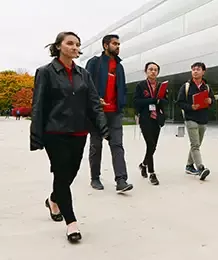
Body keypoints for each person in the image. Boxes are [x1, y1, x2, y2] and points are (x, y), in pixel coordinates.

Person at [30, 31, 109, 243]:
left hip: (79, 131)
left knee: (69, 174)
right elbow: (38, 105)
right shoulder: (45, 72)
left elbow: (93, 103)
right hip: (54, 132)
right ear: (58, 46)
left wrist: (103, 127)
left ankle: (53, 200)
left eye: (77, 44)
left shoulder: (84, 74)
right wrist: (36, 135)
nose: (74, 47)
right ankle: (71, 222)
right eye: (70, 43)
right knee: (61, 174)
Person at [85, 34, 133, 192]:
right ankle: (95, 178)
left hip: (115, 113)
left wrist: (122, 103)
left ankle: (121, 180)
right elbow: (85, 85)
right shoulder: (94, 63)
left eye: (119, 44)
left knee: (117, 145)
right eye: (115, 43)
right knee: (96, 145)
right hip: (97, 113)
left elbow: (123, 88)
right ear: (106, 45)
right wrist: (95, 100)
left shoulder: (119, 67)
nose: (118, 46)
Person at [176, 62, 215, 181]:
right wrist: (190, 107)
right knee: (195, 145)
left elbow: (213, 100)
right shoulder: (186, 86)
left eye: (198, 69)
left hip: (203, 119)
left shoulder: (206, 87)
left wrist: (210, 101)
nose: (195, 71)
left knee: (197, 144)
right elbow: (179, 102)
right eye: (193, 69)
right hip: (190, 118)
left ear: (203, 72)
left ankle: (189, 166)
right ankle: (200, 168)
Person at [133, 62, 168, 185]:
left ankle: (143, 164)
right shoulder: (141, 85)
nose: (153, 71)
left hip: (157, 118)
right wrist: (151, 100)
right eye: (150, 69)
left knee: (153, 146)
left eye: (155, 70)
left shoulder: (161, 86)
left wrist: (162, 100)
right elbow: (136, 102)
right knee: (150, 143)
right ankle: (152, 173)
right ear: (146, 71)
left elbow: (165, 101)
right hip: (145, 118)